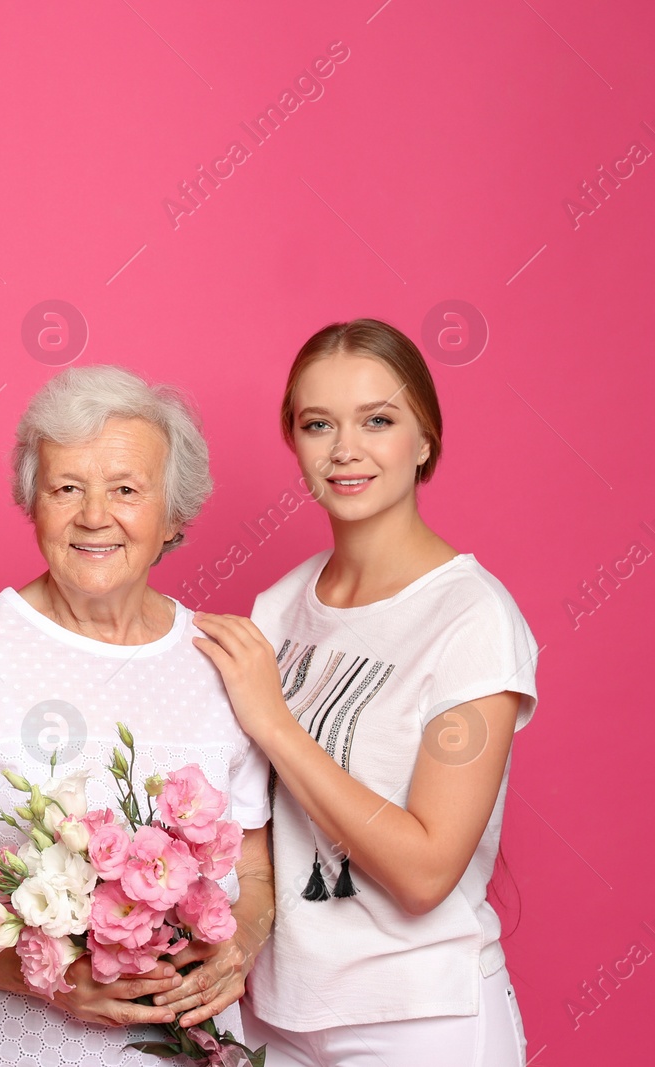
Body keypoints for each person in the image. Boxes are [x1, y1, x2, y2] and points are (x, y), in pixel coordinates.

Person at [0, 366, 275, 1066]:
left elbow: (251, 874)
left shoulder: (223, 664)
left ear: (173, 514)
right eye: (66, 487)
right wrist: (45, 978)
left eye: (126, 490)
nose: (94, 515)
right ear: (32, 504)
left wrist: (240, 944)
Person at [193, 319, 538, 1066]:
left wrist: (277, 723)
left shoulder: (471, 618)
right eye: (319, 424)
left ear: (424, 440)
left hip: (419, 1017)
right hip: (281, 1015)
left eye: (378, 420)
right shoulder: (278, 607)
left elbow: (423, 872)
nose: (345, 449)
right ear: (295, 441)